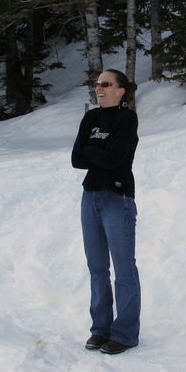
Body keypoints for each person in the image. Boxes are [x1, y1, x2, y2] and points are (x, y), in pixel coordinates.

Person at [71, 69, 141, 355]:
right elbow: (76, 159)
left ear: (121, 90)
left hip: (118, 197)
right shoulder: (90, 118)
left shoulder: (127, 118)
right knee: (97, 268)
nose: (99, 88)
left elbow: (115, 160)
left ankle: (124, 333)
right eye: (97, 83)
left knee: (124, 269)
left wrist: (91, 149)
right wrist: (97, 152)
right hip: (90, 198)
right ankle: (100, 328)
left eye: (106, 84)